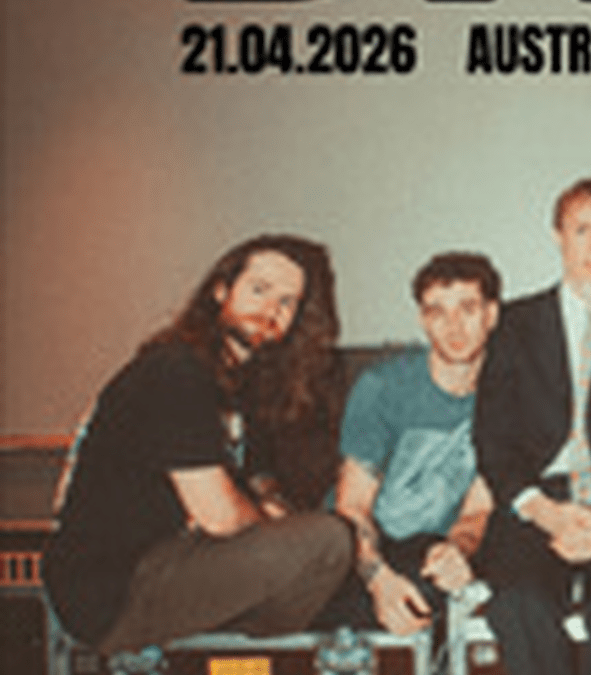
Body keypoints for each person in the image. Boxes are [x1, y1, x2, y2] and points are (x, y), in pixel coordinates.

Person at [43, 234, 353, 655]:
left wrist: (273, 504)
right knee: (328, 541)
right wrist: (271, 524)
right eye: (259, 289)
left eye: (287, 302)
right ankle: (243, 644)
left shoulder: (243, 389)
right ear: (220, 290)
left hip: (177, 560)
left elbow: (259, 477)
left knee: (317, 548)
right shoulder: (176, 372)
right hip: (114, 588)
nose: (271, 310)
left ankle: (232, 649)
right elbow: (220, 516)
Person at [473, 176, 591, 675]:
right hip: (535, 499)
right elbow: (493, 439)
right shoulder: (515, 324)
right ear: (558, 235)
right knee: (518, 603)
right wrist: (543, 511)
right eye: (582, 230)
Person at [330, 252, 500, 635]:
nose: (453, 326)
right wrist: (378, 579)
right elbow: (352, 507)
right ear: (423, 320)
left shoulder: (507, 395)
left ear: (491, 315)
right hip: (359, 546)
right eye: (437, 312)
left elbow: (479, 508)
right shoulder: (382, 387)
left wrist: (458, 549)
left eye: (467, 309)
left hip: (433, 543)